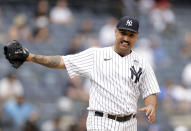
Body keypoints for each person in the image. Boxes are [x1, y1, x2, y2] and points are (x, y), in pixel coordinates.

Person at [4, 16, 160, 131]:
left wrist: (151, 105)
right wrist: (31, 57)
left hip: (130, 124)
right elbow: (61, 61)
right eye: (123, 33)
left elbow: (150, 90)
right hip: (101, 121)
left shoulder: (142, 62)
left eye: (131, 35)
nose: (126, 38)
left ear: (136, 37)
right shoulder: (96, 55)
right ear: (115, 32)